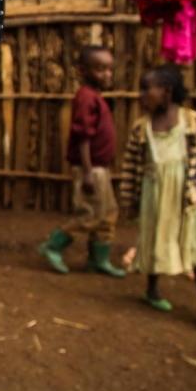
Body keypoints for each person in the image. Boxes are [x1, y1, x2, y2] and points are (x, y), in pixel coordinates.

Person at [120, 64, 196, 324]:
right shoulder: (141, 128)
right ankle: (152, 289)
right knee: (155, 241)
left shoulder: (191, 121)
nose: (141, 95)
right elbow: (131, 167)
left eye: (146, 89)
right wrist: (129, 198)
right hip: (154, 198)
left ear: (166, 92)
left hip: (187, 198)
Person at [38, 45, 125, 276]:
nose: (106, 74)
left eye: (109, 69)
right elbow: (82, 136)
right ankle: (53, 245)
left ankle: (99, 259)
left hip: (100, 168)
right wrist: (87, 171)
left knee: (108, 214)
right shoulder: (86, 97)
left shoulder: (96, 97)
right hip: (91, 168)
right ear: (83, 71)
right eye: (99, 69)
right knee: (90, 214)